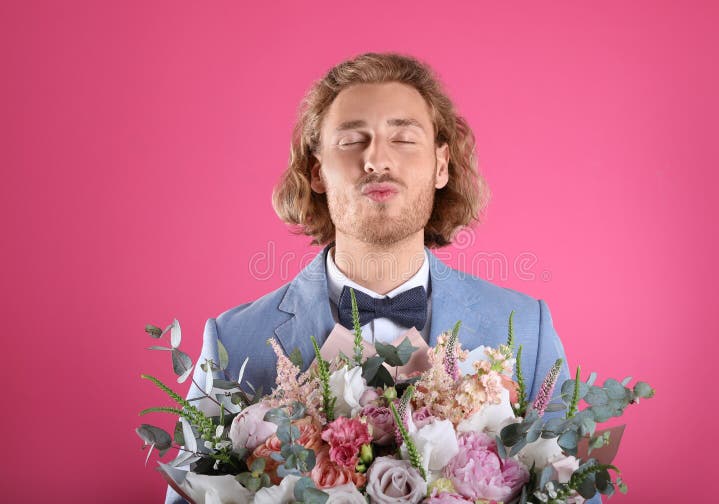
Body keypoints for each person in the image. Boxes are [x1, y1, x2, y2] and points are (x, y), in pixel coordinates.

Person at [165, 51, 576, 504]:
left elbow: (573, 491)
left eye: (402, 138)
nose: (376, 159)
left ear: (441, 165)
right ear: (317, 170)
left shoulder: (527, 332)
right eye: (351, 141)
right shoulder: (233, 342)